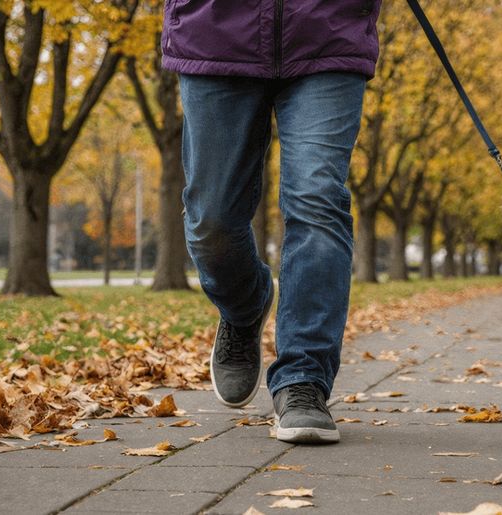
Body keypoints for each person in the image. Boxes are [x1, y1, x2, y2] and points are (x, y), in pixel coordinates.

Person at [161, 0, 381, 444]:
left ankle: (303, 380)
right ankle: (244, 306)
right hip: (216, 31)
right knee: (211, 221)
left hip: (327, 29)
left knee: (318, 200)